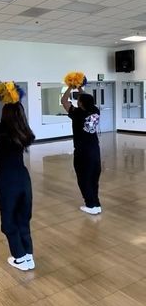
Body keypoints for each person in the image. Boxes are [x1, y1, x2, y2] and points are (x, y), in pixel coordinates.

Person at [0, 83, 35, 271]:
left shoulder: (3, 132)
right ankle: (28, 256)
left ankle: (19, 258)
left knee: (9, 221)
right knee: (23, 218)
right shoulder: (24, 133)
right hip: (23, 179)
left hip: (7, 180)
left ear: (5, 115)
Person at [61, 85, 101, 215]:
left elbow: (64, 101)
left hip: (82, 152)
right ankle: (96, 204)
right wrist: (79, 88)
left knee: (83, 178)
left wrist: (69, 87)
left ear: (81, 103)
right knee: (94, 178)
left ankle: (90, 205)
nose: (77, 102)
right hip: (95, 150)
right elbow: (86, 98)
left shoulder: (77, 113)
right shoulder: (95, 110)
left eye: (78, 101)